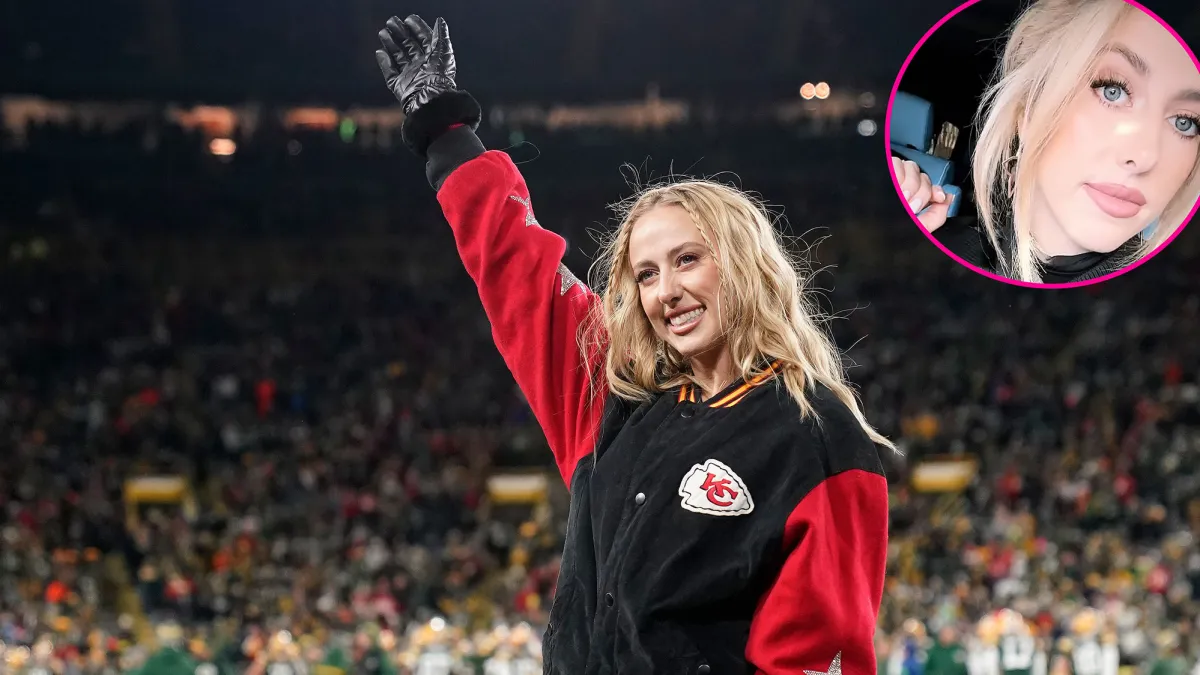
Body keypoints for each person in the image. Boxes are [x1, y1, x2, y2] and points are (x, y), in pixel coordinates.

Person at [375, 14, 893, 674]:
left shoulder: (812, 432)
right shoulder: (617, 399)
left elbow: (822, 649)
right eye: (646, 273)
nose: (665, 290)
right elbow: (518, 270)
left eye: (687, 260)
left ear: (742, 265)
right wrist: (444, 129)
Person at [895, 0, 1200, 283]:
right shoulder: (941, 248)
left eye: (1185, 123)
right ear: (1027, 114)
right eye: (1113, 90)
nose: (1146, 155)